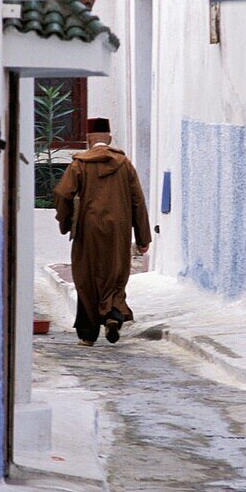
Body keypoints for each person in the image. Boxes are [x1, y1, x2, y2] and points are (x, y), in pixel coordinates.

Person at [54, 118, 152, 346]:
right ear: (108, 138)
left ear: (89, 140)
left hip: (88, 229)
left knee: (86, 277)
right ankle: (113, 315)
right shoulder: (124, 164)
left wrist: (67, 221)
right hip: (118, 229)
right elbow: (138, 201)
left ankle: (88, 335)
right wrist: (143, 237)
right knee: (115, 274)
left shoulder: (78, 165)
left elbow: (62, 194)